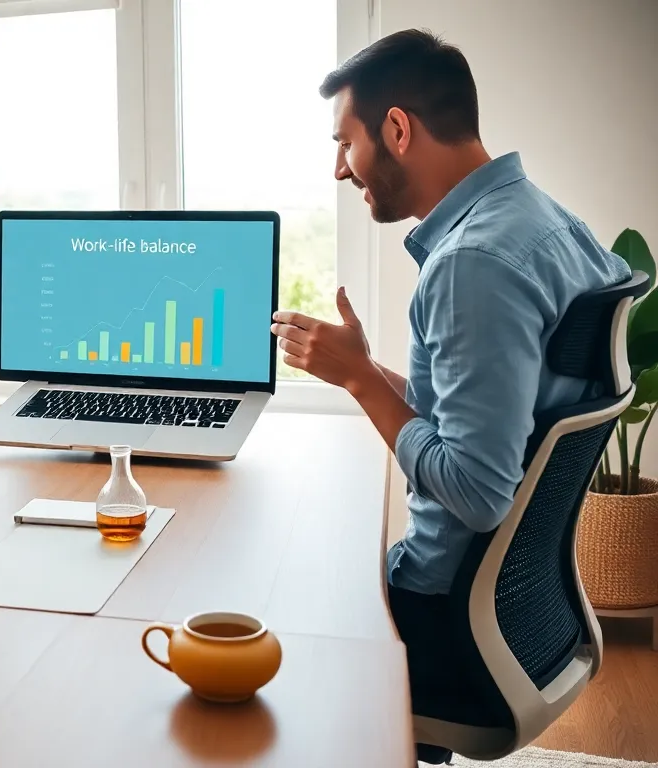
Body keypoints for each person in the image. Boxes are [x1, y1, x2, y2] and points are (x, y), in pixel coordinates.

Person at [269, 29, 630, 764]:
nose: (339, 169)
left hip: (443, 618)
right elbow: (498, 419)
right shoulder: (551, 225)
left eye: (345, 143)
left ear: (397, 129)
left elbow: (476, 490)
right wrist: (365, 369)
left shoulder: (474, 263)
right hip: (518, 610)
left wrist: (361, 381)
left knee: (269, 594)